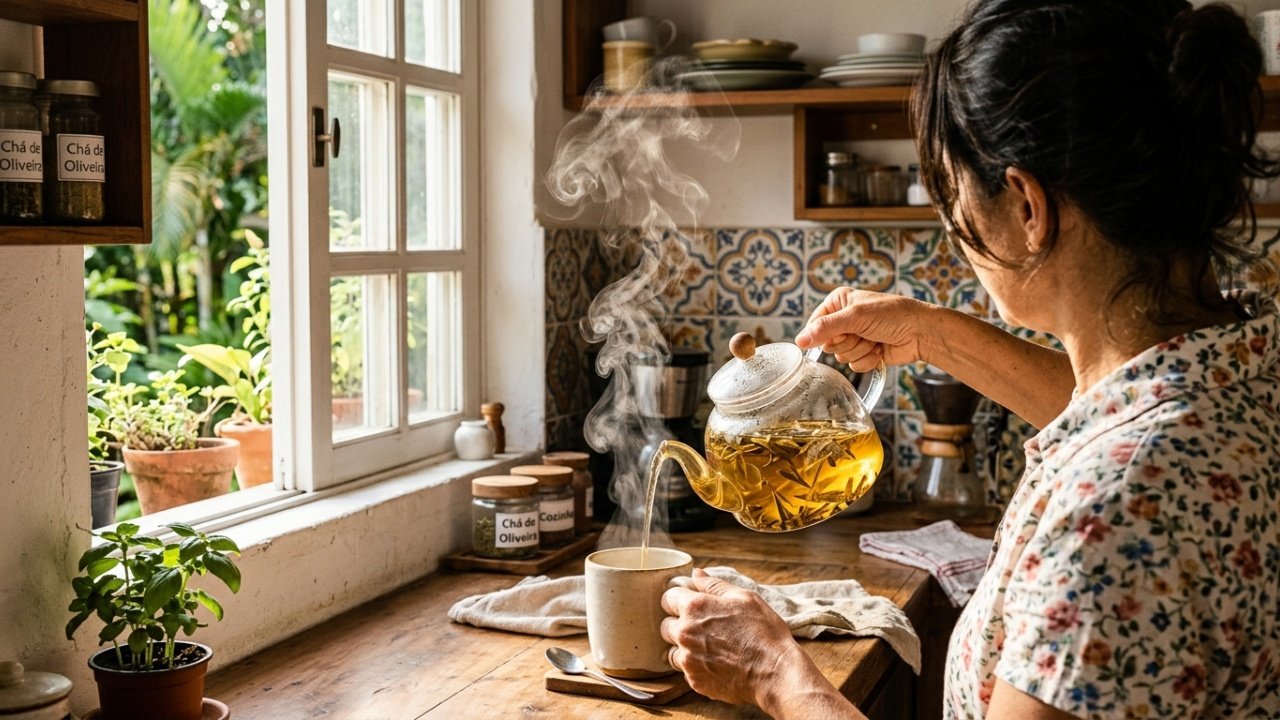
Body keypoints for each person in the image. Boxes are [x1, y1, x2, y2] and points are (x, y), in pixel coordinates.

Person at [660, 0, 1280, 718]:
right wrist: (932, 334)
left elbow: (1123, 460)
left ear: (1027, 206)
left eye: (952, 195)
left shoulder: (1110, 516)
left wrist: (774, 672)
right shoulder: (1243, 364)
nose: (954, 228)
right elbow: (1117, 410)